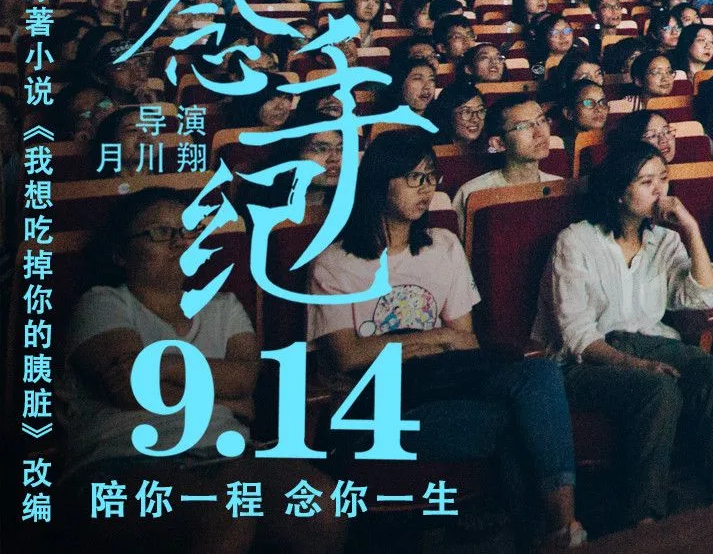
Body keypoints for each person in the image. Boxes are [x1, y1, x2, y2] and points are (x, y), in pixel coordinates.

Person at [307, 130, 582, 550]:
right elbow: (348, 355)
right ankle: (553, 533)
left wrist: (403, 344)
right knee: (525, 425)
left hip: (455, 382)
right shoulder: (335, 263)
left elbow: (466, 340)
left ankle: (559, 529)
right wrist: (435, 338)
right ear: (379, 182)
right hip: (384, 406)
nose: (427, 189)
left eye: (431, 178)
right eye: (414, 178)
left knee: (540, 374)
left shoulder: (443, 245)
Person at [62, 190, 340, 554]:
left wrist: (161, 367)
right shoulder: (103, 302)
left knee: (322, 506)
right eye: (161, 233)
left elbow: (245, 380)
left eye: (189, 231)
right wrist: (225, 394)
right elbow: (131, 388)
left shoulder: (223, 307)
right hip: (124, 460)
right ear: (120, 253)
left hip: (227, 455)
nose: (181, 242)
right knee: (222, 510)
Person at [534, 140, 713, 524]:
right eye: (647, 182)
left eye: (663, 179)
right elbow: (576, 334)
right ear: (618, 192)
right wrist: (635, 365)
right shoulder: (576, 240)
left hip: (654, 342)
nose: (660, 192)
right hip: (587, 360)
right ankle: (645, 521)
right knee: (656, 389)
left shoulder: (666, 239)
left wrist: (691, 229)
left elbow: (700, 296)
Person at [454, 92, 565, 211]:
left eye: (542, 121)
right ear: (499, 143)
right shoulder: (473, 194)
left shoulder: (561, 186)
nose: (539, 133)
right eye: (523, 126)